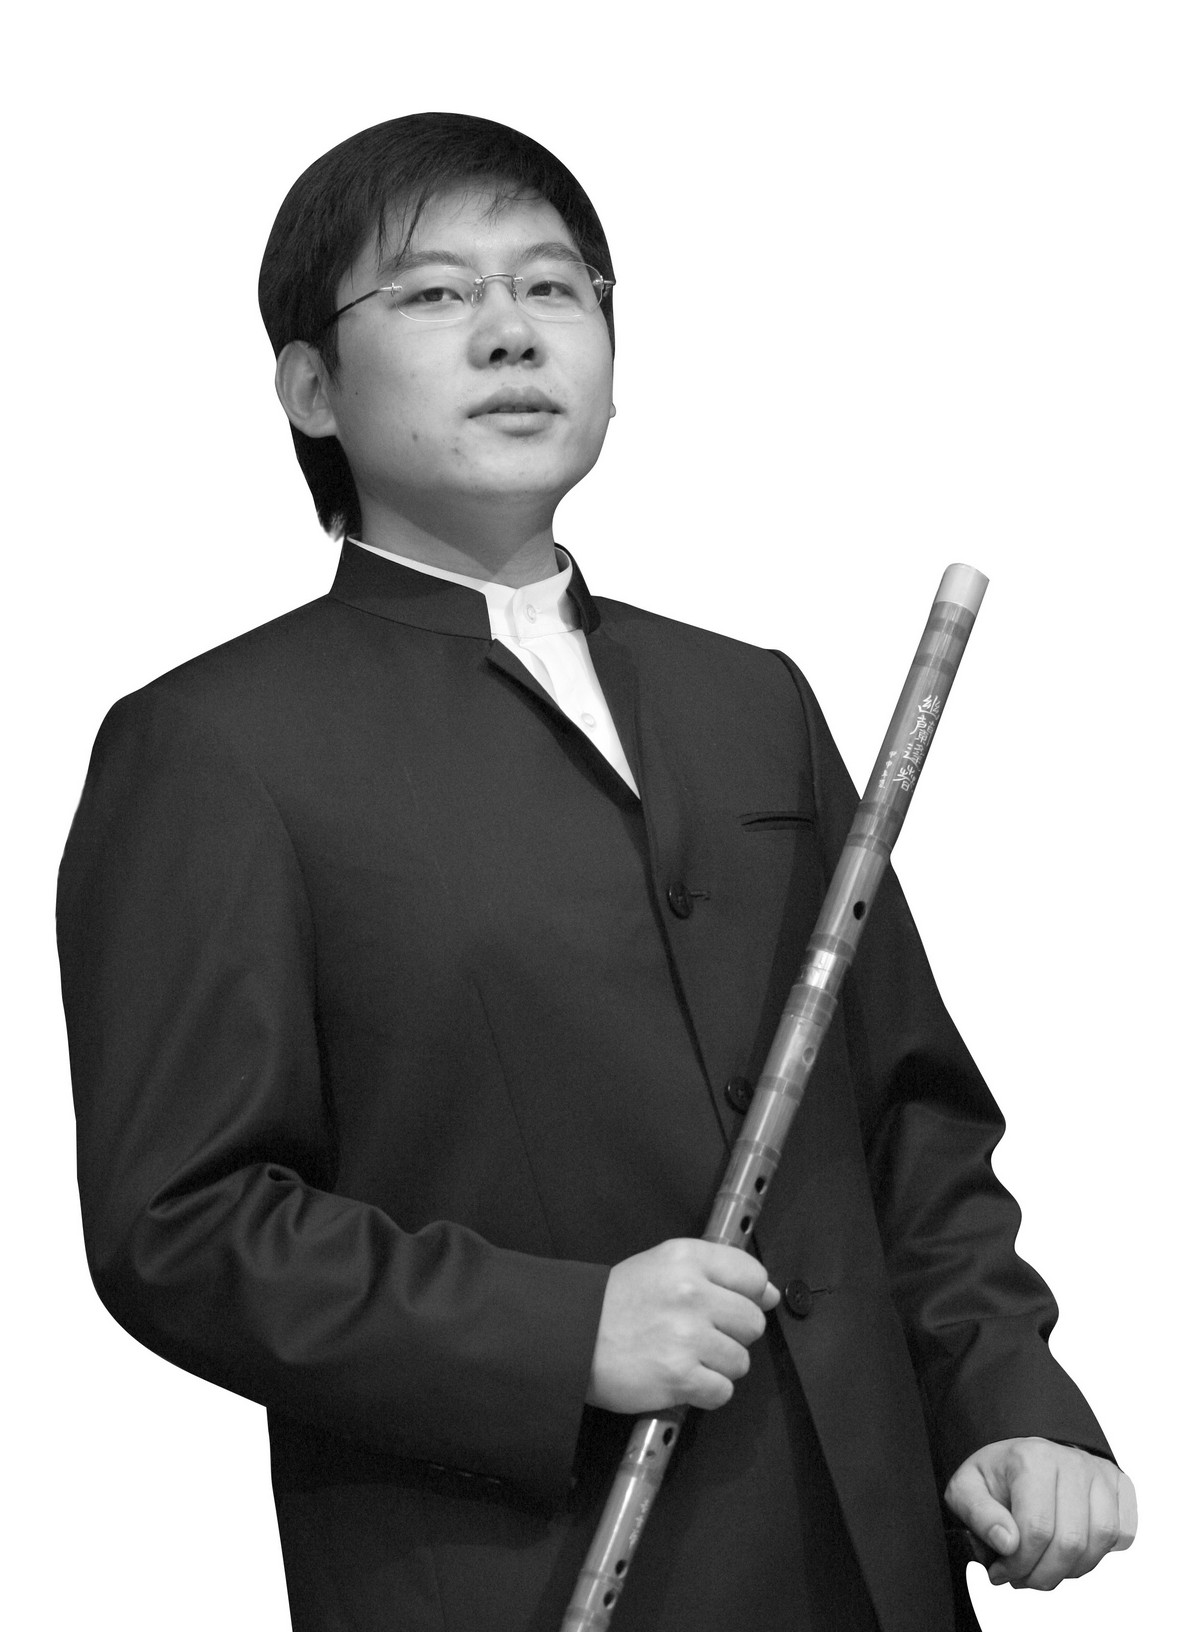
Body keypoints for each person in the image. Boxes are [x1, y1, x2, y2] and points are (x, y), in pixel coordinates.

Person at [57, 113, 1136, 1632]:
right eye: (435, 293)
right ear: (309, 386)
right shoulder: (213, 745)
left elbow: (905, 1116)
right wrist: (563, 1331)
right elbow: (183, 1224)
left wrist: (1006, 1398)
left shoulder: (749, 697)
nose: (511, 332)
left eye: (555, 287)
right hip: (528, 1579)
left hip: (874, 1565)